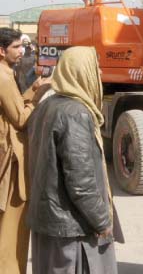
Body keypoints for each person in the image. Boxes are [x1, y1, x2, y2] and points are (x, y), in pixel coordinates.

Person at [26, 46, 118, 274]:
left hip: (51, 223)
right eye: (95, 69)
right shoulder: (75, 113)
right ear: (82, 73)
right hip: (72, 230)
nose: (99, 74)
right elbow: (81, 182)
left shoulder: (48, 105)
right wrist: (101, 220)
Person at [0, 27, 45, 274]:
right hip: (11, 159)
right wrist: (39, 98)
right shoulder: (4, 76)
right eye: (16, 47)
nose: (22, 51)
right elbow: (20, 118)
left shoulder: (7, 73)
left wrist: (32, 91)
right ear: (1, 50)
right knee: (12, 226)